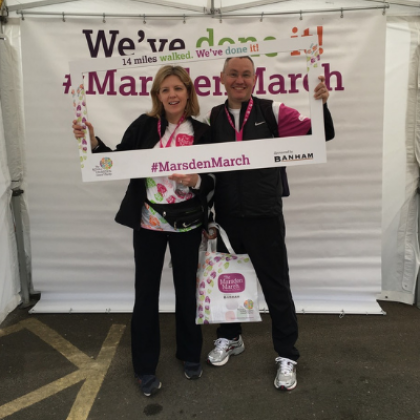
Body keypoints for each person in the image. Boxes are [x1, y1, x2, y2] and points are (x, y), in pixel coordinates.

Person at [72, 65, 215, 397]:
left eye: (177, 88)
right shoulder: (144, 125)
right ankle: (144, 367)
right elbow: (118, 162)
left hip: (187, 223)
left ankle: (190, 354)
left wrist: (195, 180)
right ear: (157, 96)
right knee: (146, 295)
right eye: (165, 90)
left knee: (187, 292)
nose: (172, 95)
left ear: (188, 92)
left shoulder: (204, 132)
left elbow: (214, 181)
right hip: (149, 223)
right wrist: (92, 141)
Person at [204, 56, 335, 391]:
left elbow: (321, 134)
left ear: (254, 79)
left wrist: (321, 105)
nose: (239, 79)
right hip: (228, 218)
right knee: (227, 285)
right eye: (233, 74)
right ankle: (230, 338)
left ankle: (287, 355)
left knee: (276, 287)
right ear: (222, 78)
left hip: (265, 216)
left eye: (246, 74)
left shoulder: (271, 111)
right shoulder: (214, 116)